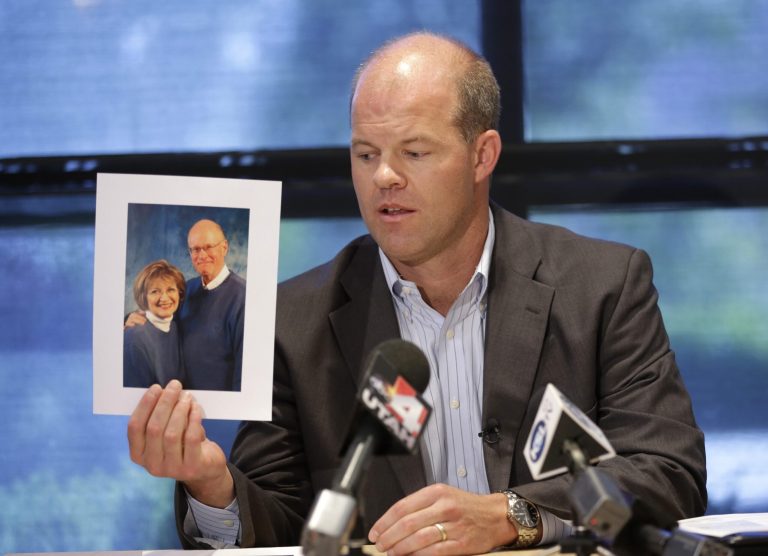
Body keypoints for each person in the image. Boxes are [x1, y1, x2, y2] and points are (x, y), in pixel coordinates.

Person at [127, 32, 706, 554]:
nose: (384, 178)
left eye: (415, 152)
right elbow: (284, 524)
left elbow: (668, 475)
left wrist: (513, 516)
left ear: (483, 156)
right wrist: (211, 482)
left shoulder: (601, 286)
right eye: (366, 155)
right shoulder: (292, 321)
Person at [126, 219, 246, 391]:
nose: (202, 255)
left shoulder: (243, 297)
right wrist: (129, 319)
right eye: (195, 249)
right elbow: (160, 318)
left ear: (224, 247)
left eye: (209, 247)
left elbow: (245, 372)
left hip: (220, 407)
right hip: (182, 402)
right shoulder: (187, 289)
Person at [124, 260, 185, 388]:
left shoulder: (174, 328)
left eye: (171, 290)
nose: (164, 298)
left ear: (179, 293)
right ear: (143, 297)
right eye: (155, 291)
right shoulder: (135, 336)